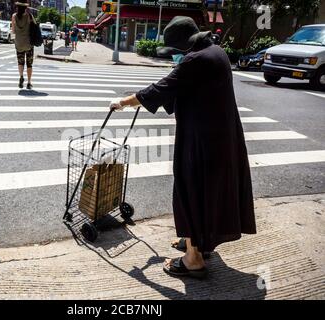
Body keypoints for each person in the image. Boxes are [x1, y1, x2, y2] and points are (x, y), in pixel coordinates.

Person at [109, 16, 256, 279]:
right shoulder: (216, 52)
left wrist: (123, 102)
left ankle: (193, 259)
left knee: (190, 191)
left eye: (177, 49)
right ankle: (195, 240)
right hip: (219, 137)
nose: (177, 55)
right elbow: (184, 88)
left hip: (202, 141)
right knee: (205, 193)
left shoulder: (195, 60)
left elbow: (161, 88)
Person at [12, 0, 34, 90]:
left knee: (20, 62)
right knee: (29, 64)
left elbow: (13, 31)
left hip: (19, 43)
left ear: (17, 7)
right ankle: (29, 83)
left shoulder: (14, 16)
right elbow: (34, 26)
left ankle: (21, 77)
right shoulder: (29, 16)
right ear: (25, 7)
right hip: (28, 43)